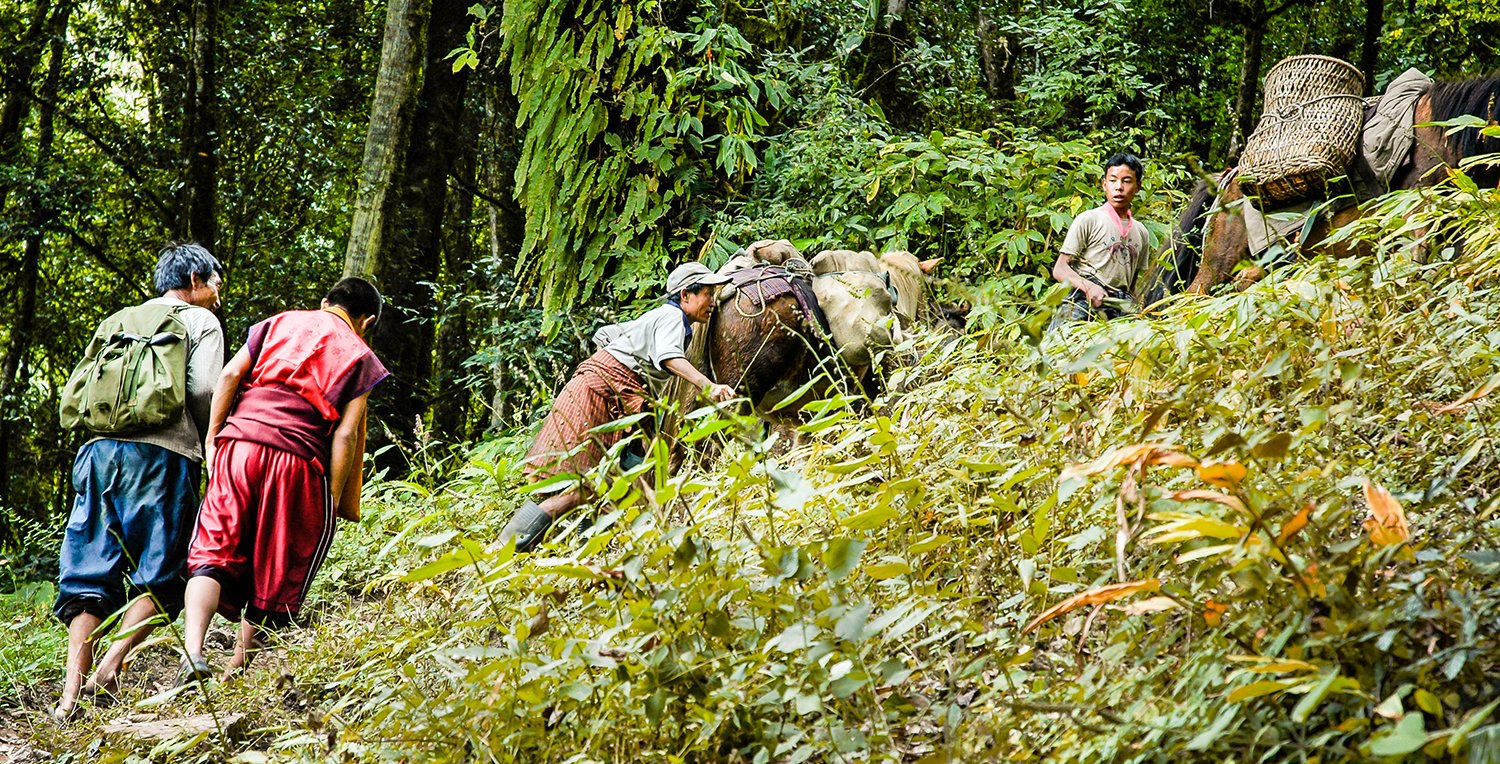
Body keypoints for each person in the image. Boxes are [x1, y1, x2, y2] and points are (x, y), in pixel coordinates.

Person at [179, 277, 388, 680]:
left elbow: (228, 376)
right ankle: (235, 671)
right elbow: (345, 434)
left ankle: (193, 652)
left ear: (325, 301)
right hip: (298, 459)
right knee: (282, 563)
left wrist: (213, 437)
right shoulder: (360, 355)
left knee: (213, 546)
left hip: (240, 444)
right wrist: (330, 492)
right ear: (367, 321)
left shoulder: (276, 323)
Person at [52, 243, 225, 720]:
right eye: (213, 283)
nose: (216, 294)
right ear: (193, 280)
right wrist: (208, 442)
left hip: (100, 455)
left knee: (89, 571)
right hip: (165, 458)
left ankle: (70, 694)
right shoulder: (200, 322)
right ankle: (111, 664)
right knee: (164, 567)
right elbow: (206, 389)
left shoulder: (119, 319)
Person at [499, 262, 737, 551]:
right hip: (602, 393)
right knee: (586, 486)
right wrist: (707, 385)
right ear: (686, 295)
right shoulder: (672, 316)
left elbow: (606, 334)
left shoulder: (659, 318)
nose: (712, 302)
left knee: (614, 478)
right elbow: (669, 357)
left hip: (612, 391)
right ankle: (507, 548)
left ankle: (592, 551)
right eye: (708, 294)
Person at [1049, 153, 1156, 327]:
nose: (1119, 187)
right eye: (1113, 180)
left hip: (1121, 307)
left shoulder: (1141, 232)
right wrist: (1089, 287)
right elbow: (1060, 269)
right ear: (1104, 184)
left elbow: (1132, 283)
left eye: (1127, 181)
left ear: (1138, 186)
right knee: (1058, 350)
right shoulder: (1089, 219)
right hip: (1083, 301)